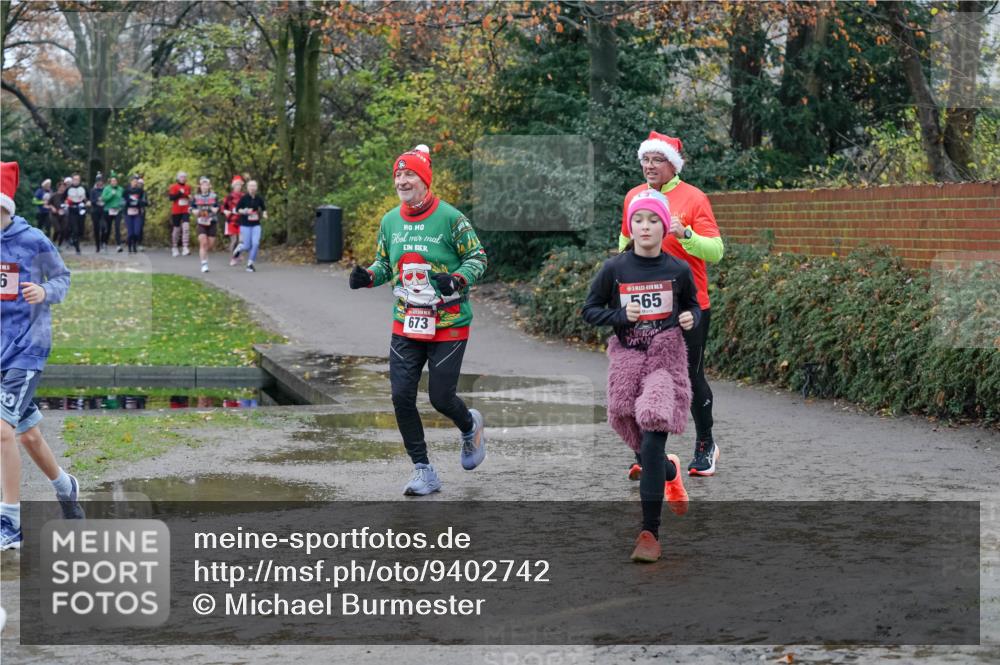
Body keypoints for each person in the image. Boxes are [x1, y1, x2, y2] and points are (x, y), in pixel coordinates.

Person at [349, 145, 488, 496]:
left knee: (441, 398)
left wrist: (457, 279)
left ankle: (470, 425)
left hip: (449, 323)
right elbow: (385, 265)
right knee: (401, 397)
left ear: (425, 179)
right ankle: (423, 470)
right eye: (398, 175)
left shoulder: (451, 218)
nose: (402, 180)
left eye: (409, 174)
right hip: (406, 322)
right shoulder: (390, 221)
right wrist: (367, 276)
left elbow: (477, 257)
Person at [585, 189, 699, 562]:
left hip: (665, 363)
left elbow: (693, 307)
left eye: (653, 220)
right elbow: (590, 311)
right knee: (637, 438)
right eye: (638, 220)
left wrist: (690, 318)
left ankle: (649, 534)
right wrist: (620, 317)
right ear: (629, 226)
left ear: (665, 227)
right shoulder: (615, 269)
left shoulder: (678, 270)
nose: (645, 227)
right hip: (628, 361)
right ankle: (669, 470)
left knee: (651, 440)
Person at [619, 131, 724, 478]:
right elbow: (622, 245)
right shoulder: (634, 196)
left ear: (672, 164)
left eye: (656, 159)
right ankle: (644, 451)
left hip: (687, 304)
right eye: (645, 159)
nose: (649, 166)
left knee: (688, 378)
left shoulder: (694, 199)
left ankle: (706, 444)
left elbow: (717, 251)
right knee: (639, 377)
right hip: (642, 305)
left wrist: (687, 235)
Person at [0, 161, 84, 552]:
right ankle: (65, 487)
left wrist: (44, 292)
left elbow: (63, 279)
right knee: (28, 435)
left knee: (2, 431)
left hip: (28, 346)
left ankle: (11, 523)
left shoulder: (32, 240)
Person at [234, 179, 266, 273]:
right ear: (247, 188)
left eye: (254, 186)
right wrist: (244, 211)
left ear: (256, 188)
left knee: (256, 243)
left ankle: (250, 264)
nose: (252, 188)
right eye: (250, 186)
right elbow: (237, 209)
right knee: (247, 246)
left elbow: (264, 208)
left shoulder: (259, 198)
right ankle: (240, 247)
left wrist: (264, 214)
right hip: (245, 224)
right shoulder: (244, 198)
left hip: (256, 224)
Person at [192, 177, 220, 273]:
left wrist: (212, 210)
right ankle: (204, 263)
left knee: (210, 244)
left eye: (206, 185)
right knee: (203, 242)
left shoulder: (214, 196)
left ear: (209, 186)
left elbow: (216, 209)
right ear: (200, 186)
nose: (204, 187)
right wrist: (195, 211)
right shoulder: (196, 197)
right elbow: (192, 209)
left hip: (212, 221)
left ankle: (204, 254)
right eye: (203, 185)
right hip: (201, 222)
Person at [168, 171, 192, 257]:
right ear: (178, 178)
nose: (183, 178)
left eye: (184, 177)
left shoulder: (188, 187)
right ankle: (174, 247)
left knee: (186, 227)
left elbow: (189, 197)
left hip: (185, 209)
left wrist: (189, 198)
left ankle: (185, 247)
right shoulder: (173, 187)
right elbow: (171, 198)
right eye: (181, 177)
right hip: (176, 210)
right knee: (176, 229)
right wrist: (179, 193)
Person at [122, 175, 148, 254]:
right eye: (134, 182)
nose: (135, 183)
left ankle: (134, 244)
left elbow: (145, 202)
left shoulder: (141, 191)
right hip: (128, 213)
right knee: (130, 232)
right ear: (131, 182)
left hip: (137, 213)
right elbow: (121, 202)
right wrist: (127, 202)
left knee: (137, 231)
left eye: (136, 182)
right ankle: (130, 246)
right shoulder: (126, 191)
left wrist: (140, 202)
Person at [222, 176, 244, 266]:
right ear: (233, 186)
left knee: (242, 240)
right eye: (236, 185)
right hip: (232, 220)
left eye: (239, 185)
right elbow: (223, 207)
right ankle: (234, 257)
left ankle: (237, 255)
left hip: (242, 220)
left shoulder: (244, 196)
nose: (238, 186)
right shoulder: (229, 196)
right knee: (234, 240)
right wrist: (225, 211)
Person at [65, 173, 88, 255]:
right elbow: (63, 199)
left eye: (77, 179)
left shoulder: (83, 188)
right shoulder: (68, 189)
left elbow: (87, 199)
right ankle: (77, 248)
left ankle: (73, 239)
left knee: (81, 230)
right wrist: (66, 203)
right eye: (74, 179)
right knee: (75, 229)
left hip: (81, 211)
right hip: (72, 211)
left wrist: (88, 202)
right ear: (72, 180)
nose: (76, 181)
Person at [101, 174, 125, 254]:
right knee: (108, 228)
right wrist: (111, 194)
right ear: (110, 182)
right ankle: (104, 243)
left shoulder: (120, 189)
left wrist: (122, 205)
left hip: (117, 210)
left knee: (117, 228)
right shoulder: (107, 189)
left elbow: (123, 198)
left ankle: (119, 245)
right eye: (112, 181)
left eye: (115, 181)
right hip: (108, 210)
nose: (114, 182)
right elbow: (104, 199)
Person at [47, 180, 69, 249]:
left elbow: (69, 204)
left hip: (63, 214)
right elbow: (47, 204)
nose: (62, 188)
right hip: (54, 215)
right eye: (61, 187)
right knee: (57, 230)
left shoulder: (67, 196)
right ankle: (53, 243)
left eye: (64, 187)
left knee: (64, 230)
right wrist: (52, 207)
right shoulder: (54, 195)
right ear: (58, 187)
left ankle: (59, 246)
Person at [89, 173, 105, 252]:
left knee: (103, 227)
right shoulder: (93, 190)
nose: (100, 182)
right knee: (96, 229)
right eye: (98, 181)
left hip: (103, 211)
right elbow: (92, 200)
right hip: (95, 211)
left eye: (101, 181)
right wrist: (98, 200)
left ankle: (102, 243)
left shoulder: (105, 189)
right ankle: (97, 246)